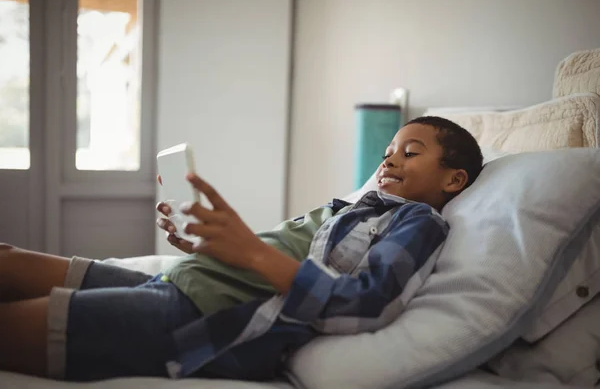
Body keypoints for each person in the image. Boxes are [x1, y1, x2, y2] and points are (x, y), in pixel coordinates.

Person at [0, 116, 483, 382]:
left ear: (453, 179)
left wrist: (251, 253)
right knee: (8, 259)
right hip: (190, 280)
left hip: (204, 312)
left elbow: (368, 303)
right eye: (387, 153)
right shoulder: (352, 208)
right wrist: (208, 246)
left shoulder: (417, 222)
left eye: (410, 151)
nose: (389, 159)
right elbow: (272, 257)